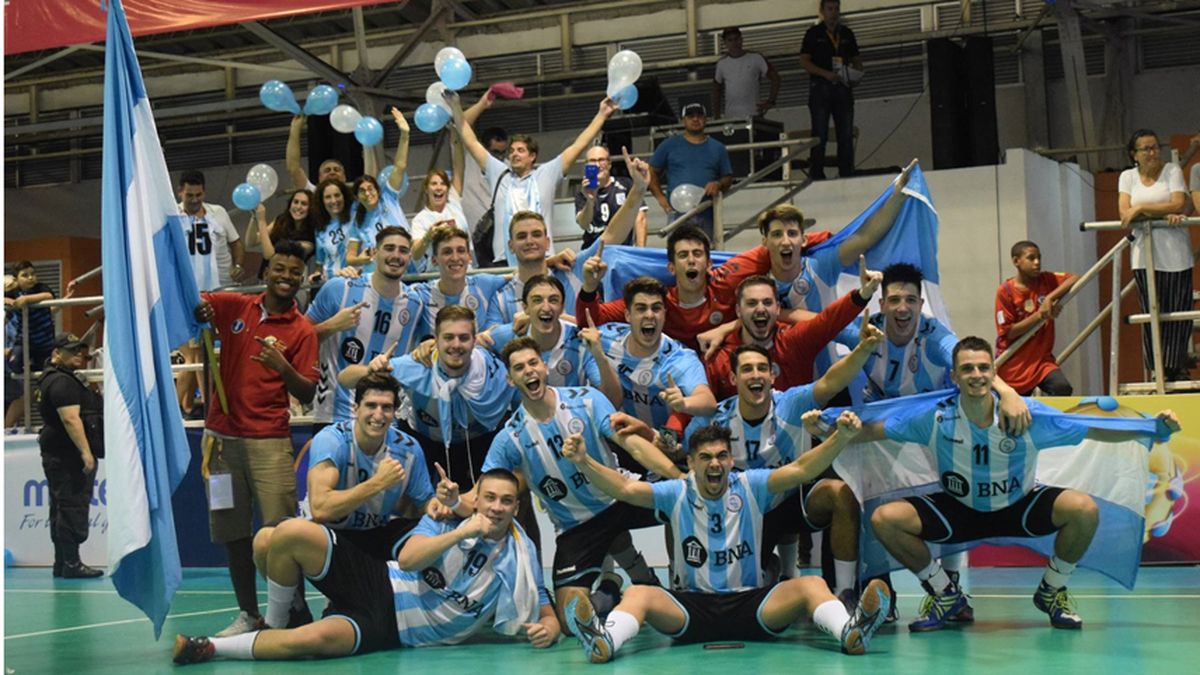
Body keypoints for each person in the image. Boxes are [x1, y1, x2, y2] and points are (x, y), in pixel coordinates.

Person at [855, 336, 1180, 631]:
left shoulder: (1026, 415)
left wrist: (1154, 429)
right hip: (958, 510)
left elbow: (1093, 428)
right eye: (967, 369)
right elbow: (876, 430)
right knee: (885, 519)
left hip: (1019, 507)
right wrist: (839, 429)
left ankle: (1051, 591)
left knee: (1083, 510)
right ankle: (945, 593)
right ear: (954, 377)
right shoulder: (935, 418)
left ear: (994, 373)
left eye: (984, 368)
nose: (976, 375)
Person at [560, 422, 891, 662]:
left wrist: (840, 436)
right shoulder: (676, 492)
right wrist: (583, 461)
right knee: (638, 593)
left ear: (731, 460)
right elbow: (624, 489)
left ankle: (850, 631)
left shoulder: (750, 485)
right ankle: (604, 640)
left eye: (721, 456)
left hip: (751, 604)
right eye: (705, 457)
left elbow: (802, 469)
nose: (715, 463)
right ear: (691, 463)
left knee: (812, 584)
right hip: (691, 608)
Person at [172, 469, 560, 664]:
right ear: (476, 500)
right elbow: (408, 559)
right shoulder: (446, 519)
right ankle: (273, 621)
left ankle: (210, 647)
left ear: (516, 507)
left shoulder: (521, 556)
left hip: (391, 630)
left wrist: (549, 630)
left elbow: (546, 612)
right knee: (288, 533)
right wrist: (462, 532)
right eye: (489, 498)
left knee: (310, 642)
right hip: (381, 582)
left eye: (505, 501)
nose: (495, 507)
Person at [474, 338, 682, 630]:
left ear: (544, 367)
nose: (529, 371)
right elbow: (482, 491)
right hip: (576, 526)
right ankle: (611, 588)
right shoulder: (509, 437)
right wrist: (449, 501)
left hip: (621, 496)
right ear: (510, 379)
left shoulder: (586, 399)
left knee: (681, 503)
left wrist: (679, 479)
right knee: (571, 620)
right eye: (519, 368)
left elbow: (633, 445)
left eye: (533, 363)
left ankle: (683, 586)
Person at [686, 337, 883, 599]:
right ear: (733, 378)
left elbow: (832, 381)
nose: (756, 375)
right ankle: (765, 569)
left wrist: (863, 349)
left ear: (772, 376)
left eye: (762, 368)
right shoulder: (716, 418)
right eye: (747, 369)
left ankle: (844, 592)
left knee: (839, 493)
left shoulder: (791, 403)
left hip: (793, 501)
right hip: (746, 513)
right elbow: (686, 457)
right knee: (743, 592)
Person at [192, 240, 321, 637]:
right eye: (279, 269)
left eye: (294, 273)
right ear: (266, 272)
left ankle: (294, 613)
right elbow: (197, 301)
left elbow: (306, 392)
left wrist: (283, 367)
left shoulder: (302, 330)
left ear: (302, 279)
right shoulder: (236, 307)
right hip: (220, 443)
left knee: (283, 533)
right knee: (233, 533)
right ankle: (248, 614)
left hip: (270, 442)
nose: (286, 277)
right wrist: (201, 309)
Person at [338, 305, 514, 492]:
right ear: (436, 341)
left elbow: (527, 326)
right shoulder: (416, 366)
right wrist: (371, 370)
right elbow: (344, 379)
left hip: (481, 440)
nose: (456, 345)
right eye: (448, 337)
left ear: (474, 340)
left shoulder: (492, 367)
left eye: (463, 338)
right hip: (426, 441)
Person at [456, 95, 618, 266]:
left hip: (544, 258)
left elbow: (578, 145)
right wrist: (455, 107)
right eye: (512, 151)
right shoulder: (500, 173)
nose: (514, 154)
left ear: (532, 156)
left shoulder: (547, 174)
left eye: (520, 150)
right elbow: (471, 142)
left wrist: (602, 114)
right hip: (505, 261)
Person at [575, 224, 772, 351]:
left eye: (697, 254)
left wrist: (725, 328)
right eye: (683, 255)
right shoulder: (657, 303)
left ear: (709, 264)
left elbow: (774, 248)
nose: (691, 260)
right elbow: (589, 320)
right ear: (671, 267)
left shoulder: (726, 280)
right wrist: (590, 286)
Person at [306, 227, 425, 429]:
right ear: (374, 252)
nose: (396, 255)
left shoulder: (416, 303)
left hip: (386, 421)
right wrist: (332, 326)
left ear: (409, 257)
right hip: (334, 416)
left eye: (403, 250)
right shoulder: (341, 288)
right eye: (389, 248)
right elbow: (299, 340)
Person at [702, 269, 877, 401]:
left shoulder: (794, 341)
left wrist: (862, 295)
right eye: (752, 303)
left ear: (778, 308)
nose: (760, 309)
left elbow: (828, 321)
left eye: (767, 302)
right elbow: (703, 406)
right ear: (738, 311)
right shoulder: (718, 359)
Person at [591, 276, 717, 430]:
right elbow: (571, 326)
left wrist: (684, 403)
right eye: (641, 308)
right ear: (628, 315)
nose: (649, 315)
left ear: (664, 314)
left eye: (656, 308)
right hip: (614, 434)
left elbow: (708, 401)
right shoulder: (605, 338)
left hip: (660, 439)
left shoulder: (679, 359)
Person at [1118, 129, 1191, 382]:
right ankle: (1157, 369)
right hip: (1144, 254)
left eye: (1155, 147)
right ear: (1134, 154)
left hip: (1176, 254)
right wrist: (1159, 211)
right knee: (1151, 311)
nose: (1153, 153)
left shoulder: (1172, 171)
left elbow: (1178, 204)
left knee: (1177, 309)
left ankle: (1176, 368)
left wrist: (1141, 208)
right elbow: (1124, 214)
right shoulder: (1127, 177)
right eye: (1146, 149)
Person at [481, 275, 622, 407]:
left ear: (562, 308)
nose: (546, 307)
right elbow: (475, 345)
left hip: (574, 420)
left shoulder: (581, 340)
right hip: (526, 421)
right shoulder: (507, 335)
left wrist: (600, 356)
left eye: (553, 300)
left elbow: (613, 402)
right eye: (537, 300)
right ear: (525, 308)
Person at [175, 170, 246, 417]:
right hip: (186, 295)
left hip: (217, 291)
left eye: (199, 195)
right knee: (194, 353)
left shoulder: (218, 213)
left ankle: (187, 406)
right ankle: (206, 407)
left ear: (204, 192)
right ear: (180, 193)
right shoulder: (172, 217)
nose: (195, 200)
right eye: (189, 195)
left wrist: (238, 265)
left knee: (204, 353)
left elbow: (237, 242)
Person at [35, 333, 104, 578]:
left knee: (61, 507)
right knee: (72, 506)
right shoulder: (62, 383)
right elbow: (71, 419)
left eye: (79, 350)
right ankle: (72, 564)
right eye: (72, 350)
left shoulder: (53, 379)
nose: (79, 354)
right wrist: (86, 453)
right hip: (68, 455)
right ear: (56, 353)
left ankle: (62, 563)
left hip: (58, 452)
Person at [995, 242, 1079, 396]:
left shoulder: (1046, 280)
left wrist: (1050, 298)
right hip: (1015, 365)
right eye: (1031, 258)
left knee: (1062, 388)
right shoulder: (1005, 292)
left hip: (1042, 361)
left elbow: (1074, 278)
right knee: (1017, 406)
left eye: (1039, 258)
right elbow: (1009, 332)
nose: (1037, 262)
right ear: (1016, 261)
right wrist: (1040, 315)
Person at [647, 103, 733, 240]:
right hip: (677, 211)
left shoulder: (718, 148)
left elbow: (727, 178)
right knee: (678, 248)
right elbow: (651, 171)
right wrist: (660, 198)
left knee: (706, 248)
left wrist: (718, 184)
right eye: (690, 116)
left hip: (707, 210)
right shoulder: (669, 145)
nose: (695, 119)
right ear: (683, 120)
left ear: (706, 119)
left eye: (699, 116)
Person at [344, 109, 413, 275]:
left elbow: (400, 166)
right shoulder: (358, 222)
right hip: (375, 275)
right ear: (357, 197)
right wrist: (362, 259)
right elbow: (350, 257)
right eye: (362, 191)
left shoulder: (388, 197)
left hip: (404, 269)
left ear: (377, 190)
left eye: (371, 188)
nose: (368, 193)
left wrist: (404, 135)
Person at [800, 0, 862, 180]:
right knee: (820, 133)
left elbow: (857, 60)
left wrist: (856, 75)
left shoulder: (847, 33)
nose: (833, 13)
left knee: (845, 133)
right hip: (821, 87)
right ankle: (817, 174)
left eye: (836, 9)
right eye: (830, 9)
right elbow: (804, 61)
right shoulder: (814, 33)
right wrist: (825, 74)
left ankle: (847, 173)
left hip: (843, 87)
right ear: (822, 11)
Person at [409, 227, 509, 334]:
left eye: (461, 251)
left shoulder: (483, 284)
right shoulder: (421, 294)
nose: (455, 258)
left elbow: (516, 277)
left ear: (469, 257)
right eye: (447, 252)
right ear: (434, 260)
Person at [5, 261, 63, 427]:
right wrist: (7, 299)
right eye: (25, 275)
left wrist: (26, 299)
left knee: (45, 377)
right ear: (16, 279)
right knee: (14, 364)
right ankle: (27, 369)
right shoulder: (14, 292)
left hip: (44, 342)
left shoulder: (40, 287)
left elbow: (49, 296)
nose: (31, 278)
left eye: (33, 274)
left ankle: (50, 418)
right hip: (23, 341)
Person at [574, 145, 648, 248]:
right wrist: (590, 202)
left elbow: (640, 218)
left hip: (622, 249)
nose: (597, 165)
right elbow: (584, 224)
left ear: (609, 164)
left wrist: (640, 251)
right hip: (592, 251)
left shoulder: (626, 185)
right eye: (592, 161)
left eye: (601, 160)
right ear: (586, 165)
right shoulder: (582, 193)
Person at [713, 26, 781, 119]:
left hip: (754, 115)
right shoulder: (722, 64)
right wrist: (716, 115)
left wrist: (771, 101)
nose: (734, 43)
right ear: (725, 43)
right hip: (731, 116)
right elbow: (716, 90)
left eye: (736, 39)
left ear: (741, 39)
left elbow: (775, 78)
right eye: (730, 40)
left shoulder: (756, 58)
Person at [245, 189, 317, 278]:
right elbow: (251, 242)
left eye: (304, 204)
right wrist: (254, 217)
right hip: (266, 276)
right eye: (295, 202)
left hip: (287, 281)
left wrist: (261, 221)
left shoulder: (310, 236)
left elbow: (271, 256)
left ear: (311, 208)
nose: (298, 207)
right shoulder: (281, 220)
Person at [284, 115, 348, 191]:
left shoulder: (354, 195)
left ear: (344, 177)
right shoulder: (312, 193)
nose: (332, 172)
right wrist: (295, 128)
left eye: (337, 170)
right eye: (327, 170)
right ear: (319, 178)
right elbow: (293, 168)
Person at [312, 178, 354, 283]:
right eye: (328, 197)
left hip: (356, 280)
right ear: (322, 201)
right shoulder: (320, 229)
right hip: (332, 283)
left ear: (344, 196)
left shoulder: (356, 214)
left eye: (337, 195)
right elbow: (319, 264)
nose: (334, 201)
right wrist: (316, 276)